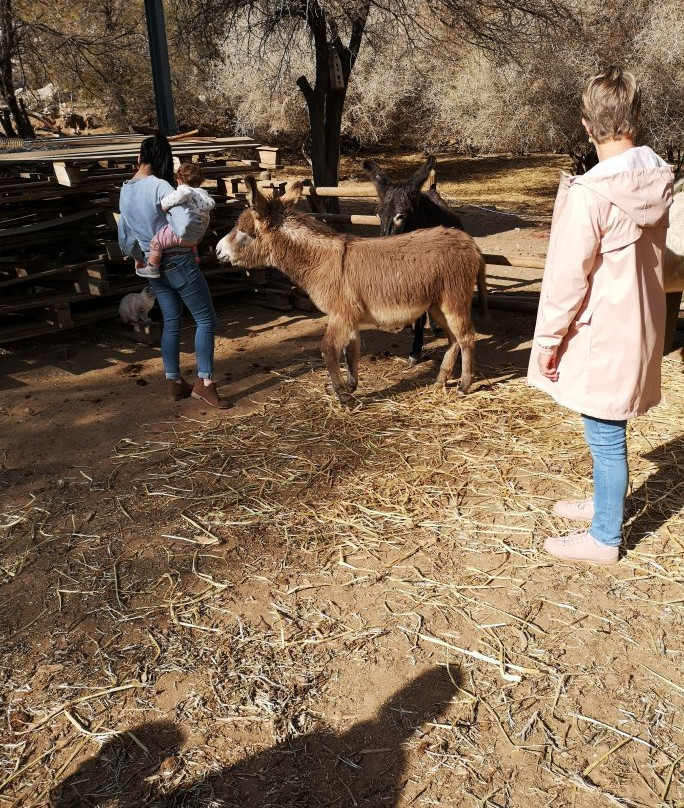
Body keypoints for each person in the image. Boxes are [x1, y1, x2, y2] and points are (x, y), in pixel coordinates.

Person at [527, 66, 674, 565]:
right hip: (638, 327)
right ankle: (605, 504)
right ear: (636, 119)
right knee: (607, 427)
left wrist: (547, 340)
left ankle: (605, 536)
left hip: (605, 332)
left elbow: (567, 279)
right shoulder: (657, 180)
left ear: (587, 125)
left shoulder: (592, 193)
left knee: (606, 434)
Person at [118, 132, 229, 408]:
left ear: (140, 157)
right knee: (206, 320)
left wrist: (140, 257)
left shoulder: (125, 189)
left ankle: (175, 382)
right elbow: (185, 225)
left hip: (150, 264)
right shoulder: (161, 187)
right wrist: (196, 239)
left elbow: (126, 235)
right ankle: (205, 383)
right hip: (178, 261)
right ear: (164, 160)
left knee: (171, 321)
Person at [137, 162, 216, 279]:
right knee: (191, 241)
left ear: (179, 180)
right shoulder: (204, 196)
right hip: (194, 240)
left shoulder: (184, 191)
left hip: (180, 236)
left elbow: (169, 201)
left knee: (156, 241)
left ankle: (152, 267)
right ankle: (195, 258)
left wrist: (164, 206)